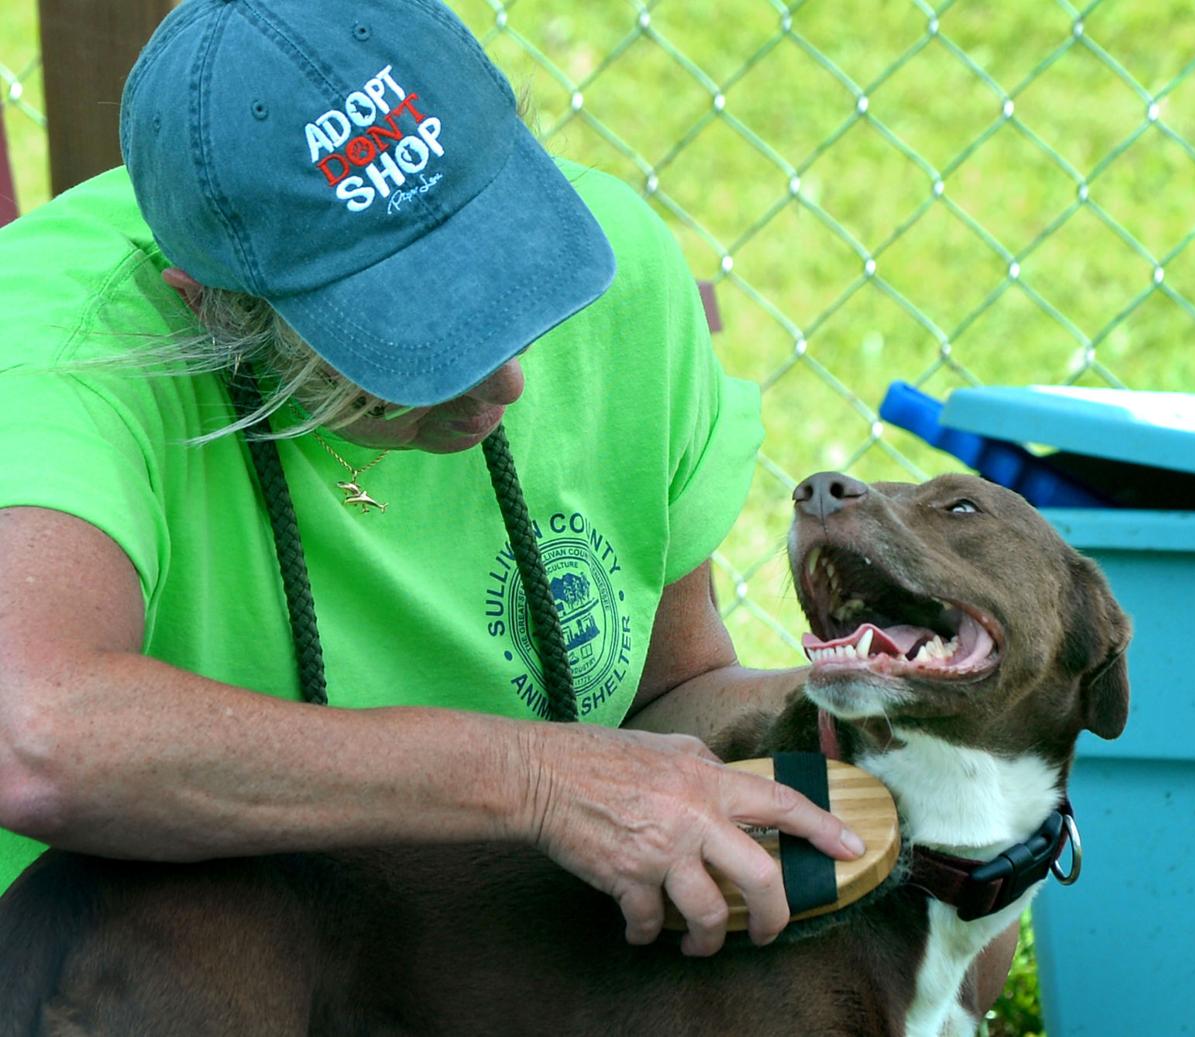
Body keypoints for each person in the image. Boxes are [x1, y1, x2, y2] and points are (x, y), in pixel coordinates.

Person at [0, 0, 865, 965]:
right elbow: (35, 733)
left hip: (461, 968)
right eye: (409, 340)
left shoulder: (613, 260)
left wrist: (893, 722)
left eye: (503, 279)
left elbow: (673, 691)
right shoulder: (57, 356)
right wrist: (533, 782)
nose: (506, 382)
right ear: (208, 309)